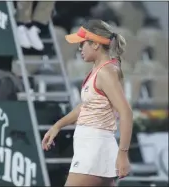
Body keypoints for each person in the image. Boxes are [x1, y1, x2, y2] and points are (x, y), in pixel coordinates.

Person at [42, 20, 133, 186]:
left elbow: (126, 112)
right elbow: (85, 107)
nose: (79, 49)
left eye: (82, 44)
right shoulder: (99, 70)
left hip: (95, 148)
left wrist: (123, 153)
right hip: (94, 147)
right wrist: (57, 126)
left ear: (96, 45)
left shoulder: (105, 72)